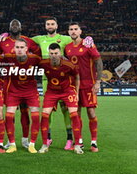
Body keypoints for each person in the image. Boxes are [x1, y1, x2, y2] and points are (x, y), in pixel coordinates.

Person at [0, 19, 41, 149]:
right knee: (10, 113)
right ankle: (10, 141)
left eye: (17, 24)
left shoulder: (29, 41)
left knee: (24, 112)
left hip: (27, 83)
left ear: (21, 27)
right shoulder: (3, 42)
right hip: (10, 84)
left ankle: (25, 139)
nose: (15, 26)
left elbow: (38, 55)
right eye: (12, 25)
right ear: (9, 27)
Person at [38, 43, 83, 154]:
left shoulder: (69, 65)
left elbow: (77, 76)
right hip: (52, 92)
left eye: (56, 53)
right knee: (44, 115)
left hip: (67, 91)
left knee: (74, 115)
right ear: (49, 54)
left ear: (60, 53)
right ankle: (45, 144)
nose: (54, 56)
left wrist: (76, 92)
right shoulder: (43, 63)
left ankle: (77, 145)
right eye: (52, 53)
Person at [65, 22, 103, 152]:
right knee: (76, 114)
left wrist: (98, 82)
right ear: (68, 32)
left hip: (88, 84)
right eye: (71, 29)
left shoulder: (88, 44)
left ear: (80, 31)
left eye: (76, 29)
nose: (73, 31)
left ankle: (94, 142)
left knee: (91, 113)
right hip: (74, 85)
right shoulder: (68, 47)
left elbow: (98, 61)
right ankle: (79, 141)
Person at [4, 38, 41, 154]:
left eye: (21, 48)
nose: (19, 50)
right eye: (17, 47)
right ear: (14, 48)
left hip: (30, 91)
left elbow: (48, 64)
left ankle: (31, 144)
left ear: (26, 49)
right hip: (14, 91)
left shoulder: (35, 59)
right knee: (9, 116)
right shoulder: (8, 58)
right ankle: (12, 144)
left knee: (35, 115)